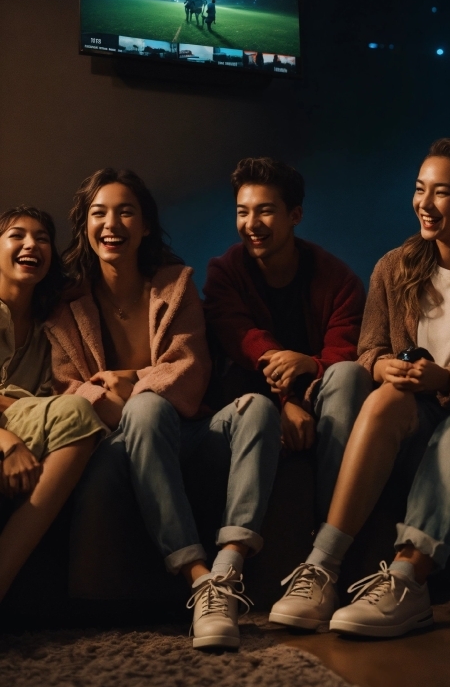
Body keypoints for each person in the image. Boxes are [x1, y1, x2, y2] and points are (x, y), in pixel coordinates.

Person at [45, 169, 281, 650]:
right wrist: (132, 397)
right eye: (99, 213)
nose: (112, 223)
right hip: (123, 441)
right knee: (148, 411)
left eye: (126, 211)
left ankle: (227, 568)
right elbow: (69, 389)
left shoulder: (176, 285)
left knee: (257, 407)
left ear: (147, 225)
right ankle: (199, 579)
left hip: (190, 430)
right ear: (84, 226)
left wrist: (130, 380)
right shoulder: (64, 304)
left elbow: (190, 370)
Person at [269, 137, 450, 637]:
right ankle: (324, 567)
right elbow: (367, 350)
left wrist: (446, 379)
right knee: (383, 393)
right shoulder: (395, 267)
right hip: (412, 427)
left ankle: (408, 582)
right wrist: (385, 368)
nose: (425, 203)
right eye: (420, 190)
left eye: (442, 193)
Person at [203, 157, 369, 524]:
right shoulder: (225, 274)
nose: (251, 225)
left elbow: (347, 353)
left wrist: (310, 365)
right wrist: (285, 402)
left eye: (265, 211)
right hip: (245, 405)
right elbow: (244, 340)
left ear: (295, 215)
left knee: (348, 376)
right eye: (242, 212)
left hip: (321, 404)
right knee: (257, 403)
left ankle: (332, 531)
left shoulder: (338, 280)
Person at [0, 206, 104, 604]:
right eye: (17, 235)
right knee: (74, 412)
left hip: (31, 437)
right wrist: (8, 442)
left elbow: (49, 401)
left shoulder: (51, 327)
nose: (32, 244)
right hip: (11, 439)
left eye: (42, 237)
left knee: (77, 412)